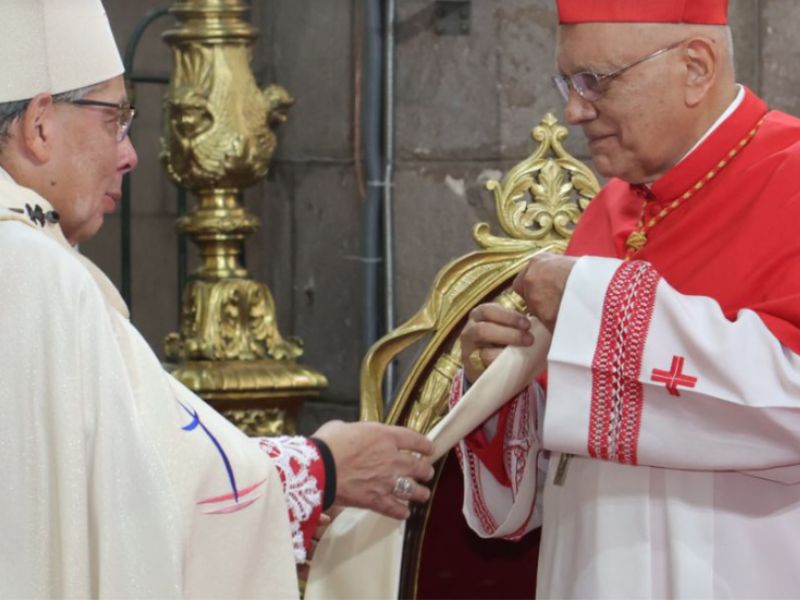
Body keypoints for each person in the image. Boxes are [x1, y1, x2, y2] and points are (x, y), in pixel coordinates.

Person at [0, 1, 434, 597]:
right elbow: (138, 507)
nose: (128, 154)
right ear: (40, 125)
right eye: (113, 120)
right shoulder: (35, 275)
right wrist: (324, 469)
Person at [453, 0, 800, 597]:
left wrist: (595, 303)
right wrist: (503, 392)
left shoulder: (789, 176)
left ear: (695, 67)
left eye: (596, 81)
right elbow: (570, 453)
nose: (573, 110)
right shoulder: (609, 205)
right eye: (566, 81)